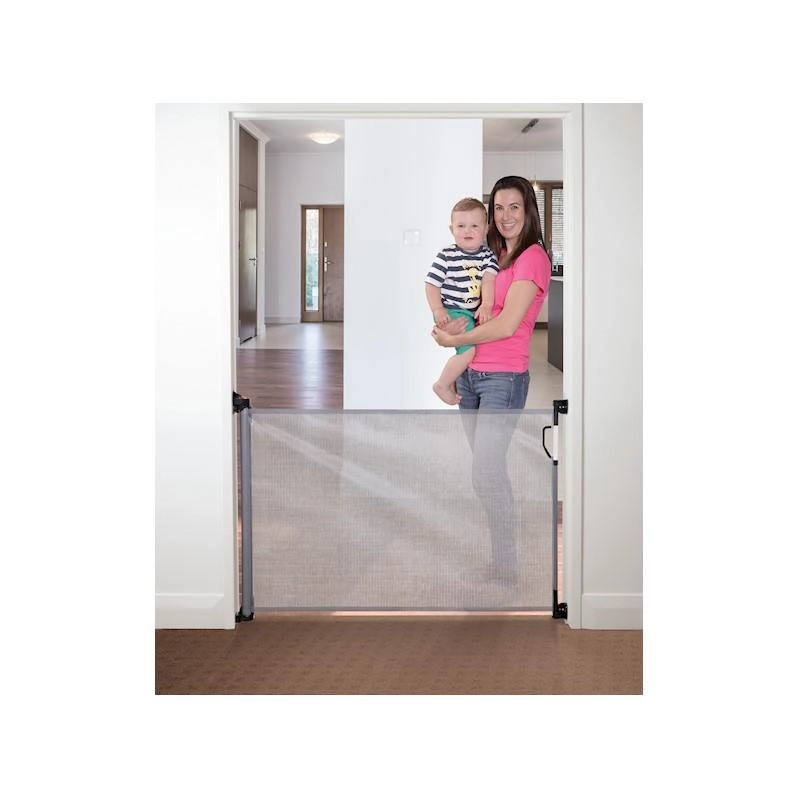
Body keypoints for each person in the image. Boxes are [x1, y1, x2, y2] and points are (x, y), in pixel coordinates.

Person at [431, 176, 551, 585]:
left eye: (514, 206)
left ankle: (507, 565)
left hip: (503, 378)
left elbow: (505, 325)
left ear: (528, 210)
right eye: (498, 208)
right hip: (471, 377)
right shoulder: (494, 255)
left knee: (486, 473)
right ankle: (502, 560)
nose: (505, 216)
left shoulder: (532, 257)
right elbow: (465, 303)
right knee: (487, 474)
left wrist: (455, 340)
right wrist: (447, 327)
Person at [424, 197, 498, 405]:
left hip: (469, 312)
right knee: (469, 350)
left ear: (486, 229)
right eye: (461, 226)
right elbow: (431, 284)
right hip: (451, 309)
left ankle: (453, 381)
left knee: (467, 350)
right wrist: (438, 309)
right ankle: (442, 384)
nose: (468, 231)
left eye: (475, 226)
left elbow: (489, 281)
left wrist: (487, 305)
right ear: (452, 229)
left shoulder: (488, 256)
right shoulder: (447, 255)